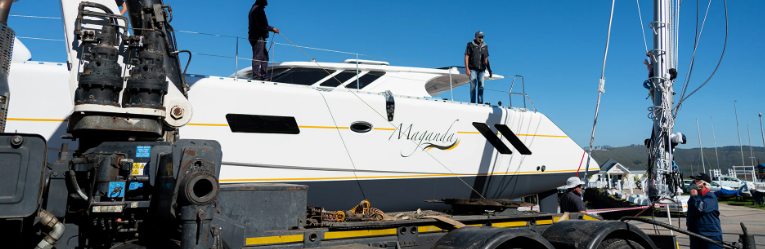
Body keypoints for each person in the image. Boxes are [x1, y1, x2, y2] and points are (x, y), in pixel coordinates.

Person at [687, 173, 723, 249]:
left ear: (704, 184)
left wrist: (694, 196)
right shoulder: (695, 197)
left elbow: (702, 208)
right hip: (695, 234)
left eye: (696, 181)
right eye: (693, 180)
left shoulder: (710, 197)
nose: (693, 182)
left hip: (710, 235)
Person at [248, 0, 279, 80]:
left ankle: (264, 77)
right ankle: (257, 76)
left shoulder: (255, 8)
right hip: (257, 37)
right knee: (258, 56)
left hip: (257, 36)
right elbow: (261, 24)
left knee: (264, 57)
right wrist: (272, 29)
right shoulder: (257, 9)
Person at [464, 31, 492, 104]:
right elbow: (467, 56)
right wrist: (467, 68)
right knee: (473, 85)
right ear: (475, 36)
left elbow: (486, 59)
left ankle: (480, 103)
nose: (481, 38)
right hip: (473, 68)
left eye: (482, 37)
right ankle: (473, 102)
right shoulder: (470, 45)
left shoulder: (485, 47)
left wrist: (489, 70)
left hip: (482, 69)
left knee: (481, 86)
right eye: (479, 36)